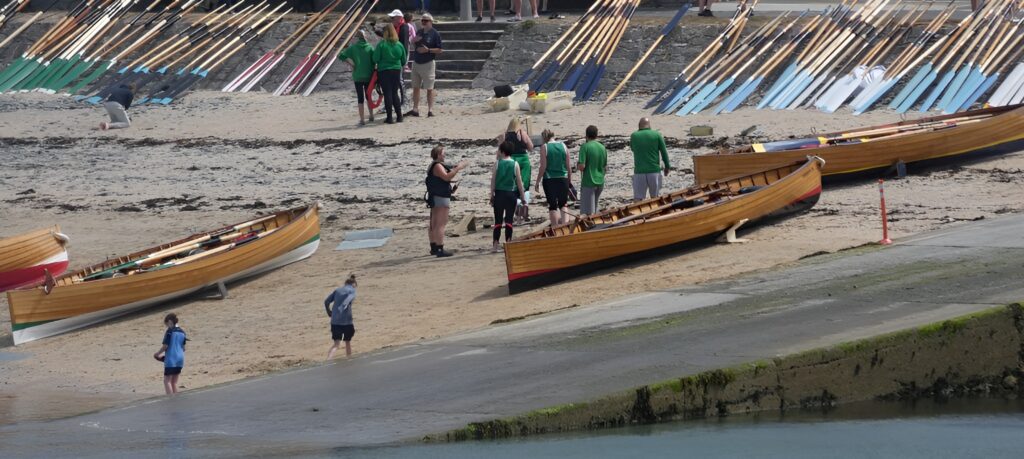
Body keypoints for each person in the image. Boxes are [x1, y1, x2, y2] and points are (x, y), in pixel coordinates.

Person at [426, 145, 468, 257]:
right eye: (443, 153)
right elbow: (446, 177)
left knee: (434, 223)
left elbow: (443, 178)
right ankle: (439, 249)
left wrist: (454, 169)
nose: (445, 155)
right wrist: (458, 168)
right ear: (439, 154)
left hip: (436, 196)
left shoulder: (434, 165)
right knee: (440, 224)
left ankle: (434, 247)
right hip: (441, 197)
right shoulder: (437, 166)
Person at [490, 141, 527, 252]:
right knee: (509, 220)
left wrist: (492, 195)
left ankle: (495, 245)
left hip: (499, 194)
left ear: (502, 151)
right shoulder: (515, 164)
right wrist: (523, 197)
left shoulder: (497, 163)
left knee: (498, 220)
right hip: (511, 195)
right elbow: (519, 183)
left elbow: (493, 181)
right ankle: (508, 243)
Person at [406, 13, 442, 118]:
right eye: (422, 21)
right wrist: (413, 41)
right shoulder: (419, 32)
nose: (423, 23)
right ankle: (415, 109)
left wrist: (428, 50)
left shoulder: (435, 34)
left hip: (428, 63)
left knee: (429, 88)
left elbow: (440, 49)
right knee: (415, 87)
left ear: (430, 22)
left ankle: (430, 110)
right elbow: (414, 44)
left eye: (425, 21)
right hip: (416, 62)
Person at [338, 30, 376, 126]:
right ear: (365, 37)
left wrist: (351, 63)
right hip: (369, 76)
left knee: (360, 98)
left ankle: (362, 119)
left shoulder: (353, 48)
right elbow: (376, 60)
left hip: (358, 75)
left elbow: (341, 55)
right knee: (369, 96)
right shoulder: (370, 48)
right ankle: (371, 115)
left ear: (357, 38)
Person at [535, 129, 571, 227]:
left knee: (553, 205)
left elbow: (543, 167)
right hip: (563, 178)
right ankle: (566, 226)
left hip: (549, 179)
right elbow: (568, 166)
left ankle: (555, 229)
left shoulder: (545, 147)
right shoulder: (563, 146)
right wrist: (569, 180)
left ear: (544, 138)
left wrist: (537, 181)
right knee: (563, 204)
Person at [629, 117, 671, 202]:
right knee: (655, 198)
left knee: (638, 199)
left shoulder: (634, 135)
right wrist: (667, 166)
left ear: (639, 126)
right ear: (649, 125)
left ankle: (639, 214)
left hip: (639, 171)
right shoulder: (657, 134)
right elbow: (663, 152)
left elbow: (633, 149)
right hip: (654, 170)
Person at [501, 117, 534, 223]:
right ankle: (525, 206)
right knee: (525, 185)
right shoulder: (522, 133)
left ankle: (516, 206)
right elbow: (531, 147)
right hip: (524, 160)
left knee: (512, 186)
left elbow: (501, 151)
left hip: (512, 160)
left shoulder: (505, 135)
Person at [373, 24, 407, 124]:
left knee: (387, 93)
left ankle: (389, 117)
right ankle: (399, 116)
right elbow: (404, 60)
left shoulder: (382, 44)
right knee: (395, 93)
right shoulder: (399, 44)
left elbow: (375, 58)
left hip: (384, 71)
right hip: (396, 70)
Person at [324, 274, 357, 359]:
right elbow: (347, 300)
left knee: (336, 344)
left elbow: (326, 302)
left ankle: (328, 361)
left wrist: (329, 311)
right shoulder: (352, 290)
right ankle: (349, 360)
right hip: (346, 321)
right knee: (347, 342)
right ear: (354, 284)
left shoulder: (337, 290)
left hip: (335, 321)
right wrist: (342, 307)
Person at [153, 313, 187, 395]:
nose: (167, 326)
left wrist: (157, 354)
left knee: (167, 381)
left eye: (166, 324)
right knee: (174, 382)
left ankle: (170, 401)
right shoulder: (183, 332)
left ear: (169, 322)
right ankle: (176, 400)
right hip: (180, 359)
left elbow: (165, 346)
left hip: (171, 359)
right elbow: (183, 348)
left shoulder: (169, 332)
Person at [577, 125, 607, 216]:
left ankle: (591, 229)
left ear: (586, 135)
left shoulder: (585, 147)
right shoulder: (602, 147)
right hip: (600, 181)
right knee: (594, 208)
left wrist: (578, 165)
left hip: (589, 181)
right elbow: (605, 167)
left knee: (588, 213)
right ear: (596, 135)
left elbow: (582, 166)